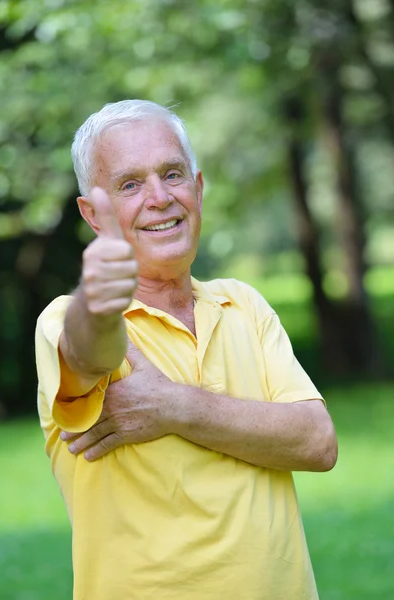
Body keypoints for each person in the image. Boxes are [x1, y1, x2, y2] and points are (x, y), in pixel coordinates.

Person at [35, 99, 337, 600]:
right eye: (130, 185)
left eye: (172, 174)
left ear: (197, 189)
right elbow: (90, 353)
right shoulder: (67, 318)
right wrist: (100, 298)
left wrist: (175, 407)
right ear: (93, 212)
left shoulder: (244, 303)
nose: (159, 197)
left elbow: (317, 442)